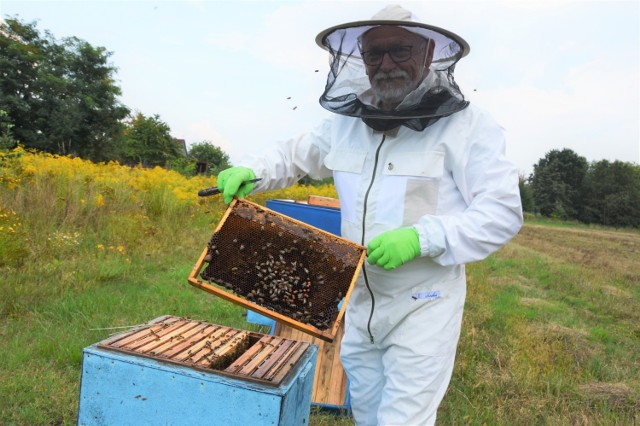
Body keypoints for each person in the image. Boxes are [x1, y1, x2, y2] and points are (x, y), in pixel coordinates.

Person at [216, 5, 523, 425]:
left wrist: (423, 238)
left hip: (424, 303)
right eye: (374, 54)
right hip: (360, 301)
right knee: (366, 413)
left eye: (400, 50)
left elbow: (502, 212)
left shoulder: (467, 127)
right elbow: (293, 154)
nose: (386, 64)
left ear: (430, 52)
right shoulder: (346, 123)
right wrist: (255, 169)